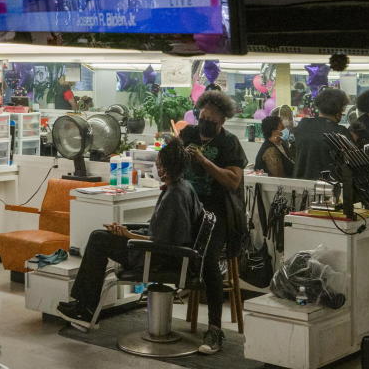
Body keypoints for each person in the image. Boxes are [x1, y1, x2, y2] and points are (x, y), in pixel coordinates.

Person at [57, 136, 203, 330]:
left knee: (98, 240)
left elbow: (160, 242)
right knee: (101, 237)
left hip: (160, 258)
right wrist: (126, 231)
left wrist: (127, 235)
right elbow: (161, 233)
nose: (156, 169)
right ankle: (84, 307)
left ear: (163, 169)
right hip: (167, 254)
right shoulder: (184, 187)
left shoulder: (173, 197)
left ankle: (85, 309)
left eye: (158, 164)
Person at [179, 90, 246, 354]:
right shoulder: (188, 135)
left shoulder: (230, 144)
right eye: (202, 117)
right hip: (187, 208)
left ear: (222, 121)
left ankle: (215, 330)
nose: (205, 123)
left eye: (212, 120)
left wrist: (204, 161)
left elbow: (233, 181)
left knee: (207, 260)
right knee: (161, 242)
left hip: (216, 213)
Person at [293, 88, 351, 180]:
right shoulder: (340, 132)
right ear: (339, 111)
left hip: (301, 184)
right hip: (328, 186)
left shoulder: (303, 125)